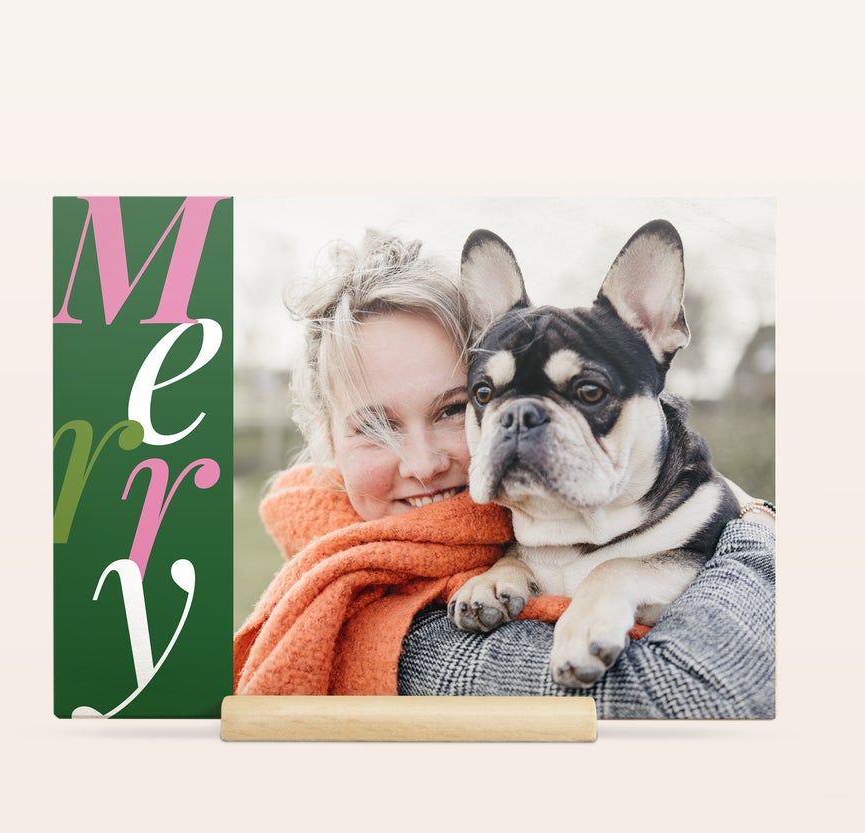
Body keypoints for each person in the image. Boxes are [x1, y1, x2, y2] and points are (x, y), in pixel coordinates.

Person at [233, 229, 775, 717]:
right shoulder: (393, 623)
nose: (423, 464)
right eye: (374, 428)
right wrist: (755, 522)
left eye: (450, 409)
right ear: (326, 442)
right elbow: (701, 695)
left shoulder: (505, 548)